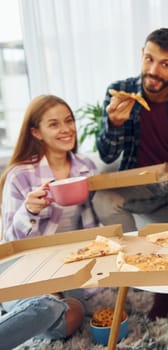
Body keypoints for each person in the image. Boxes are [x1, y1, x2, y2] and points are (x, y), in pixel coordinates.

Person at [92, 28, 168, 320]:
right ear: (141, 56)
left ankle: (165, 291)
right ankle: (135, 265)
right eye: (148, 59)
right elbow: (107, 155)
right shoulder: (119, 91)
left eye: (164, 64)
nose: (153, 71)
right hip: (135, 183)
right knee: (102, 201)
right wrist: (114, 124)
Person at [0, 95, 99, 349]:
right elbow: (11, 244)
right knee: (45, 304)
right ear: (37, 132)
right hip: (23, 266)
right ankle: (21, 309)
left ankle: (24, 314)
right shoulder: (20, 176)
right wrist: (29, 211)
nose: (66, 129)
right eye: (54, 124)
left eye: (69, 121)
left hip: (67, 267)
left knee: (68, 315)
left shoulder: (86, 168)